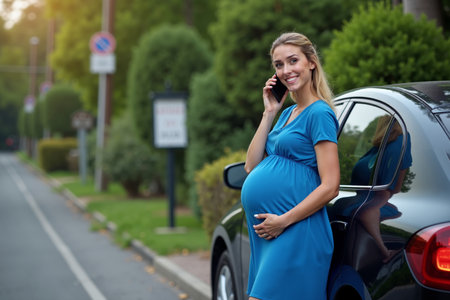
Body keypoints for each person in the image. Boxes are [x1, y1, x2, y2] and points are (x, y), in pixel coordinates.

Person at [241, 32, 340, 300]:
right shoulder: (286, 114)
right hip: (275, 234)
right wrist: (269, 112)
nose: (286, 70)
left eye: (293, 61)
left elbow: (330, 186)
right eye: (278, 64)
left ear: (311, 63)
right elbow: (251, 165)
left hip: (296, 231)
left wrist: (282, 221)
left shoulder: (319, 114)